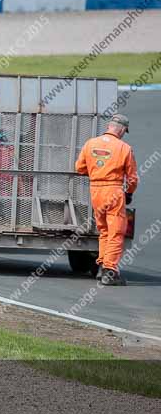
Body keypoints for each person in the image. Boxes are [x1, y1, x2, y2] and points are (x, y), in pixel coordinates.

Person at [75, 114, 139, 286]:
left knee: (103, 230)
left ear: (109, 126)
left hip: (96, 191)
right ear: (122, 129)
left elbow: (80, 168)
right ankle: (110, 271)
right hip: (114, 190)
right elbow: (132, 179)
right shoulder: (124, 148)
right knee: (116, 232)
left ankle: (102, 266)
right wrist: (129, 193)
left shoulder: (90, 143)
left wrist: (98, 172)